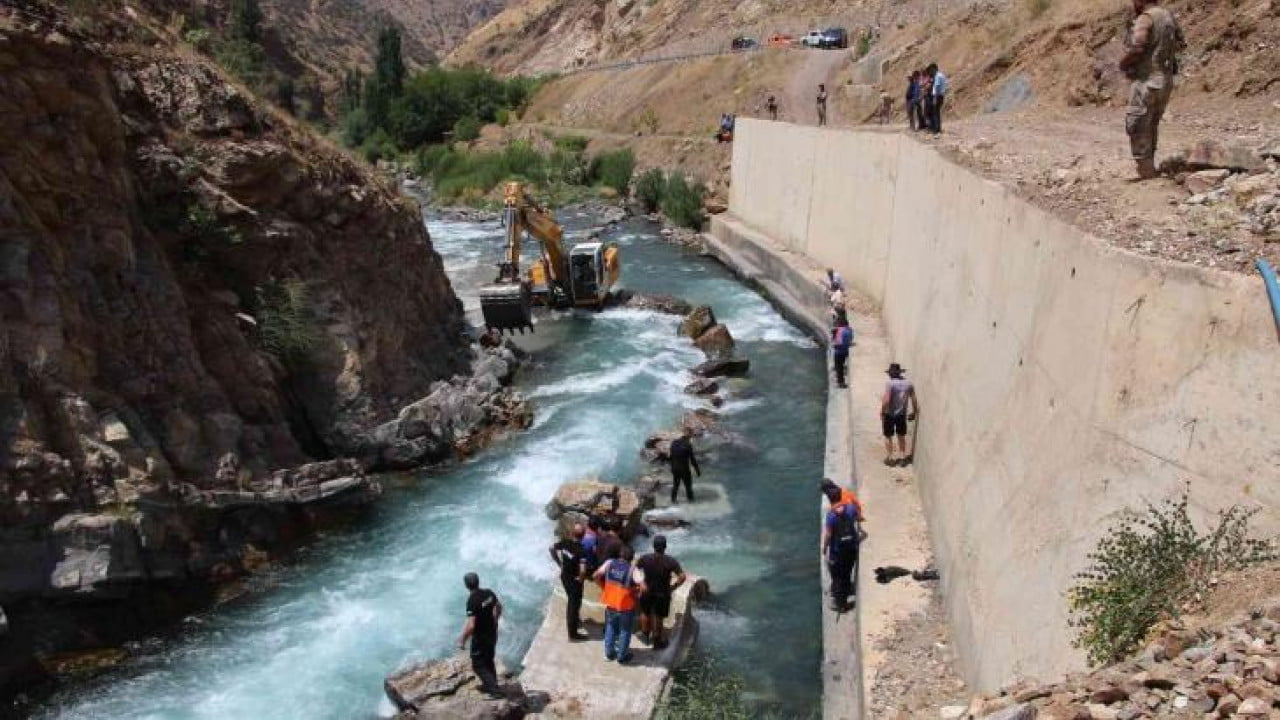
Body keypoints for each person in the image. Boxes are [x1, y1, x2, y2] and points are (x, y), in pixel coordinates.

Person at [1119, 0, 1184, 180]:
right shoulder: (1168, 16)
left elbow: (1138, 46)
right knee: (1152, 123)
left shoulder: (1146, 18)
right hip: (1165, 79)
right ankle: (1150, 167)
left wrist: (1124, 64)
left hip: (1147, 80)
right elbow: (1180, 43)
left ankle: (1146, 171)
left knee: (1138, 124)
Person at [457, 572, 504, 697]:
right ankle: (491, 685)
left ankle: (495, 691)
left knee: (478, 664)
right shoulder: (488, 592)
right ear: (478, 581)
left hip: (481, 636)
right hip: (492, 631)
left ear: (466, 585)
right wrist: (496, 619)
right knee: (488, 660)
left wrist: (462, 639)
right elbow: (499, 607)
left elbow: (471, 625)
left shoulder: (472, 601)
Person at [636, 535, 686, 649]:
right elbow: (682, 576)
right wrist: (673, 587)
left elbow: (635, 569)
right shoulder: (670, 561)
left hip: (647, 590)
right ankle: (657, 641)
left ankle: (645, 636)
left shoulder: (645, 558)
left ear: (653, 546)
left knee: (645, 612)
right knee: (659, 617)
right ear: (665, 547)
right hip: (662, 593)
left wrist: (640, 583)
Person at [593, 545, 640, 663]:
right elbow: (643, 586)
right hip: (626, 606)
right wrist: (636, 593)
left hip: (611, 603)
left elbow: (595, 576)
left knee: (610, 627)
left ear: (620, 555)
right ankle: (622, 657)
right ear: (631, 558)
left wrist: (603, 587)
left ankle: (609, 654)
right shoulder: (633, 569)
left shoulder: (609, 563)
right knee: (625, 630)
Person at [821, 485, 861, 612]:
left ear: (829, 499)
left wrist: (824, 547)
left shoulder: (831, 515)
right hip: (852, 548)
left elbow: (828, 534)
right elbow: (857, 516)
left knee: (837, 577)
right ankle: (848, 589)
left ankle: (840, 605)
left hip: (838, 552)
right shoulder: (850, 508)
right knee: (847, 571)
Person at [550, 524, 590, 641]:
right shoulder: (581, 550)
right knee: (573, 604)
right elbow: (582, 569)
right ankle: (573, 634)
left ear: (572, 533)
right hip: (574, 580)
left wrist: (559, 563)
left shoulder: (564, 543)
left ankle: (575, 621)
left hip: (564, 577)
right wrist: (581, 578)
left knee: (572, 600)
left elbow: (551, 548)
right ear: (583, 536)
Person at [881, 362, 919, 466]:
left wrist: (882, 411)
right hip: (902, 414)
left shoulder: (890, 384)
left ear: (891, 373)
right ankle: (902, 458)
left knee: (888, 436)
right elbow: (914, 399)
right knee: (901, 436)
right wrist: (914, 412)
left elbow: (887, 400)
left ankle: (890, 458)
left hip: (889, 414)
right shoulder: (909, 383)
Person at [668, 431, 701, 503]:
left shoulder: (674, 443)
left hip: (675, 468)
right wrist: (697, 471)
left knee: (676, 485)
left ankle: (673, 500)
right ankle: (691, 501)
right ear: (689, 438)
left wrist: (672, 467)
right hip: (684, 469)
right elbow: (692, 460)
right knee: (688, 486)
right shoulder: (688, 445)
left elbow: (670, 457)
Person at [831, 319, 854, 389]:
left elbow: (838, 343)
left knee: (839, 367)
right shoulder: (850, 330)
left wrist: (834, 344)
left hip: (839, 351)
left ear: (840, 324)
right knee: (841, 364)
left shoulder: (840, 330)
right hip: (845, 350)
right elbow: (850, 339)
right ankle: (840, 378)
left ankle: (841, 383)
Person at [926, 63, 948, 133]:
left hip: (937, 96)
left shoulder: (937, 76)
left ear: (934, 69)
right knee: (937, 113)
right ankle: (938, 128)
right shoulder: (942, 75)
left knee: (935, 113)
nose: (930, 72)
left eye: (931, 70)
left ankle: (936, 129)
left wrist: (934, 98)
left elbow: (936, 87)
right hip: (941, 96)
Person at [920, 71, 935, 135]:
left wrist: (924, 86)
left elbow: (926, 87)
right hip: (927, 97)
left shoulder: (929, 81)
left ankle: (930, 127)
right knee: (926, 113)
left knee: (928, 113)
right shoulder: (926, 80)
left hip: (928, 98)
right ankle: (929, 127)